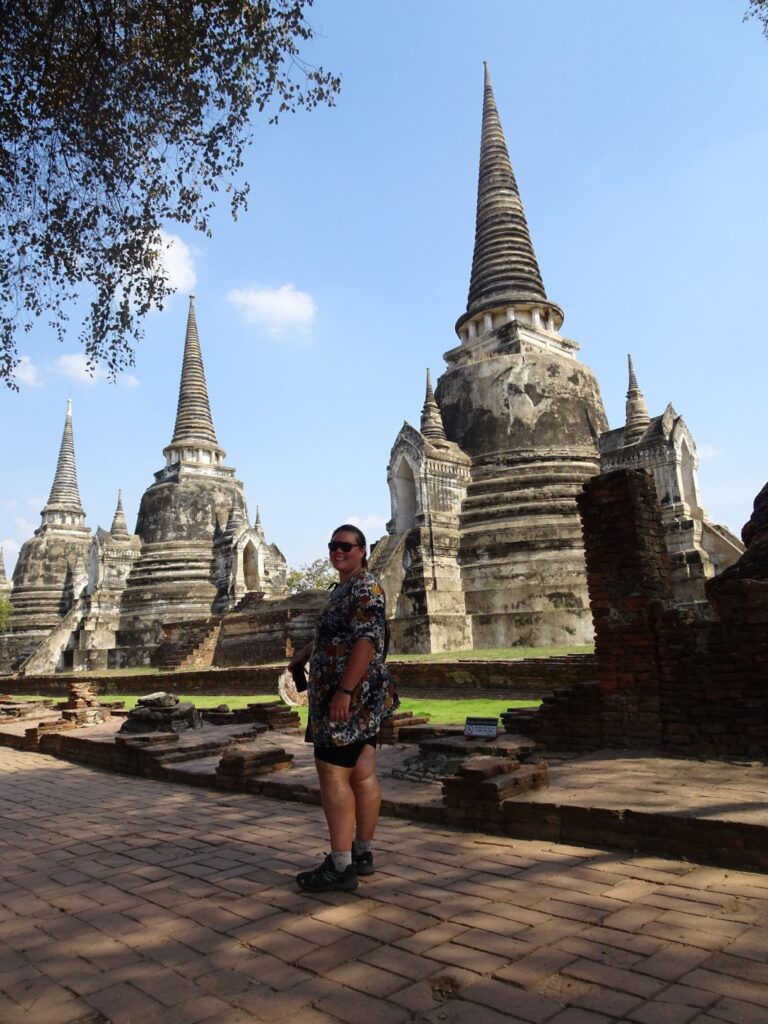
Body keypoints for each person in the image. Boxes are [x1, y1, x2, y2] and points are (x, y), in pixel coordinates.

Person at [289, 524, 398, 893]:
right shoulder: (344, 590)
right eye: (333, 546)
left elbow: (367, 641)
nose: (338, 551)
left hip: (351, 698)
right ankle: (362, 853)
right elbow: (337, 634)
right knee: (362, 773)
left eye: (346, 546)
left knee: (332, 774)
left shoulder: (365, 588)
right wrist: (305, 654)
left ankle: (340, 866)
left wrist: (344, 691)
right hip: (361, 697)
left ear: (362, 550)